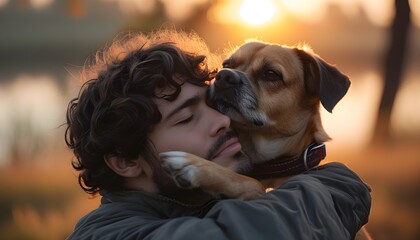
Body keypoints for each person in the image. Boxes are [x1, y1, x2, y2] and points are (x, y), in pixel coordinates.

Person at [65, 29, 371, 239]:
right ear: (125, 161)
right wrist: (336, 190)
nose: (222, 121)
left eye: (213, 102)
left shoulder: (197, 201)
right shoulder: (105, 233)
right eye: (186, 118)